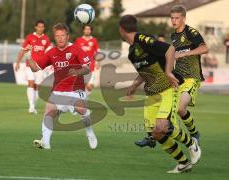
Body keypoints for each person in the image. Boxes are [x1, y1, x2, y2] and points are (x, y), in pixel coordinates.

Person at [119, 15, 201, 173]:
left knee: (162, 126)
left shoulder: (142, 39)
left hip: (167, 89)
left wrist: (169, 72)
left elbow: (170, 49)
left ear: (121, 30)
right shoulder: (131, 52)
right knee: (155, 133)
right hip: (152, 95)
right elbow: (145, 71)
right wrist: (134, 85)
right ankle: (183, 163)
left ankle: (191, 143)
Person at [27, 23, 98, 150]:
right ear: (54, 37)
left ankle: (89, 132)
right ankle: (46, 142)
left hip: (75, 89)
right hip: (58, 90)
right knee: (48, 112)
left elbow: (87, 68)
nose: (60, 38)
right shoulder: (51, 52)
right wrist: (29, 57)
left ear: (67, 36)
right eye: (57, 36)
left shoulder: (76, 49)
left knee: (82, 110)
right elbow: (35, 68)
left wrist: (78, 72)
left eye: (63, 35)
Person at [170, 5, 209, 143]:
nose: (174, 21)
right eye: (172, 18)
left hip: (192, 77)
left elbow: (205, 48)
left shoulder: (191, 32)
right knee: (170, 109)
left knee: (181, 108)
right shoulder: (173, 36)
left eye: (177, 18)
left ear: (183, 19)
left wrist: (187, 53)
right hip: (177, 78)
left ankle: (193, 133)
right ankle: (154, 135)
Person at [15, 19, 51, 114]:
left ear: (44, 28)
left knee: (38, 86)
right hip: (30, 65)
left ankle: (33, 106)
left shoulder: (46, 39)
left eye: (42, 27)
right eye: (39, 26)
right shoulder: (30, 37)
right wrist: (18, 62)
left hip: (40, 67)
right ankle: (31, 106)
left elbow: (49, 53)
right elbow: (23, 50)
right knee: (31, 83)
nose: (40, 28)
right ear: (36, 27)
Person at [74, 24, 100, 95]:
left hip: (91, 66)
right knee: (83, 86)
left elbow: (97, 53)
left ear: (91, 31)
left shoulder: (94, 40)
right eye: (86, 29)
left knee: (89, 87)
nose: (87, 30)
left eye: (89, 29)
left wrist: (98, 62)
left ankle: (85, 94)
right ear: (83, 30)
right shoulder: (79, 40)